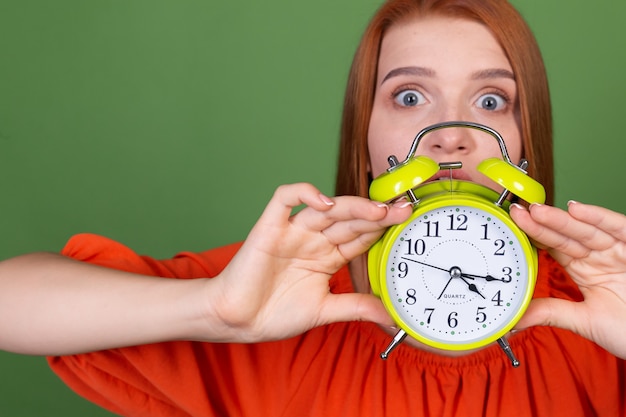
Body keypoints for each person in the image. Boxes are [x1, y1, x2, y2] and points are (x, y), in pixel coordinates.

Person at [2, 0, 624, 415]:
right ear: (366, 134)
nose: (450, 133)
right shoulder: (281, 295)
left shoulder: (598, 311)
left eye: (491, 101)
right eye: (410, 95)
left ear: (526, 137)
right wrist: (214, 310)